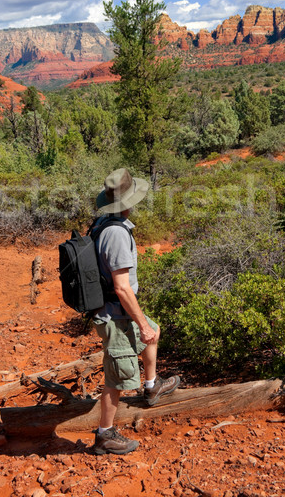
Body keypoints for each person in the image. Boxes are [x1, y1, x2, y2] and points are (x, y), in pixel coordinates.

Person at [91, 168, 180, 455]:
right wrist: (140, 322)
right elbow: (122, 287)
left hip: (117, 310)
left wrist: (145, 325)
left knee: (153, 333)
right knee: (117, 378)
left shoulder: (103, 222)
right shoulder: (116, 234)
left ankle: (152, 386)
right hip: (115, 314)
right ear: (127, 202)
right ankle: (105, 434)